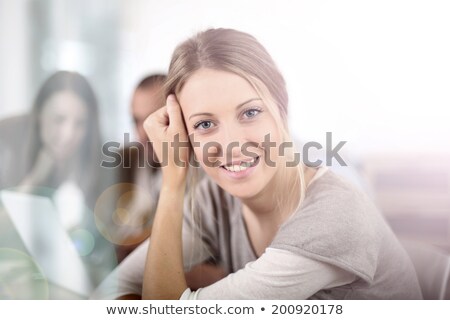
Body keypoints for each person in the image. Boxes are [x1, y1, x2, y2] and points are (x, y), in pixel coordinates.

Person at [91, 28, 422, 300]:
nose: (232, 144)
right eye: (205, 124)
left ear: (282, 105)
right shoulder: (212, 200)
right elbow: (112, 292)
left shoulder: (334, 214)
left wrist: (173, 183)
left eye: (250, 112)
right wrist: (174, 178)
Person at [0, 71, 116, 295]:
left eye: (80, 124)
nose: (68, 134)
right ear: (39, 116)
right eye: (59, 119)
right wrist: (34, 179)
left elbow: (100, 261)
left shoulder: (98, 169)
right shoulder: (11, 153)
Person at [95, 74, 167, 262]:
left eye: (153, 119)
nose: (142, 133)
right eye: (136, 121)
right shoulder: (123, 159)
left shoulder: (203, 172)